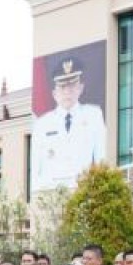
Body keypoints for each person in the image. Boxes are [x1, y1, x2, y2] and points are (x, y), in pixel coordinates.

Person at [30, 57, 107, 192]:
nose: (67, 92)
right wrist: (38, 196)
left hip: (84, 192)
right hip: (52, 194)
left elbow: (101, 158)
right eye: (62, 87)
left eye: (72, 86)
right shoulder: (42, 124)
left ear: (80, 88)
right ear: (54, 93)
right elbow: (36, 168)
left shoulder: (93, 115)